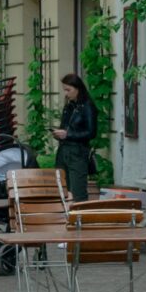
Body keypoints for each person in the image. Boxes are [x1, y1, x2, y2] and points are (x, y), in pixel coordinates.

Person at [52, 71, 99, 201]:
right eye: (64, 90)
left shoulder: (87, 106)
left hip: (78, 152)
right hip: (64, 151)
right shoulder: (69, 106)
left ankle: (80, 218)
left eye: (68, 90)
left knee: (78, 192)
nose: (66, 93)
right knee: (62, 190)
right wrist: (58, 133)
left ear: (78, 88)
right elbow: (65, 126)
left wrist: (68, 134)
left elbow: (91, 132)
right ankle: (66, 218)